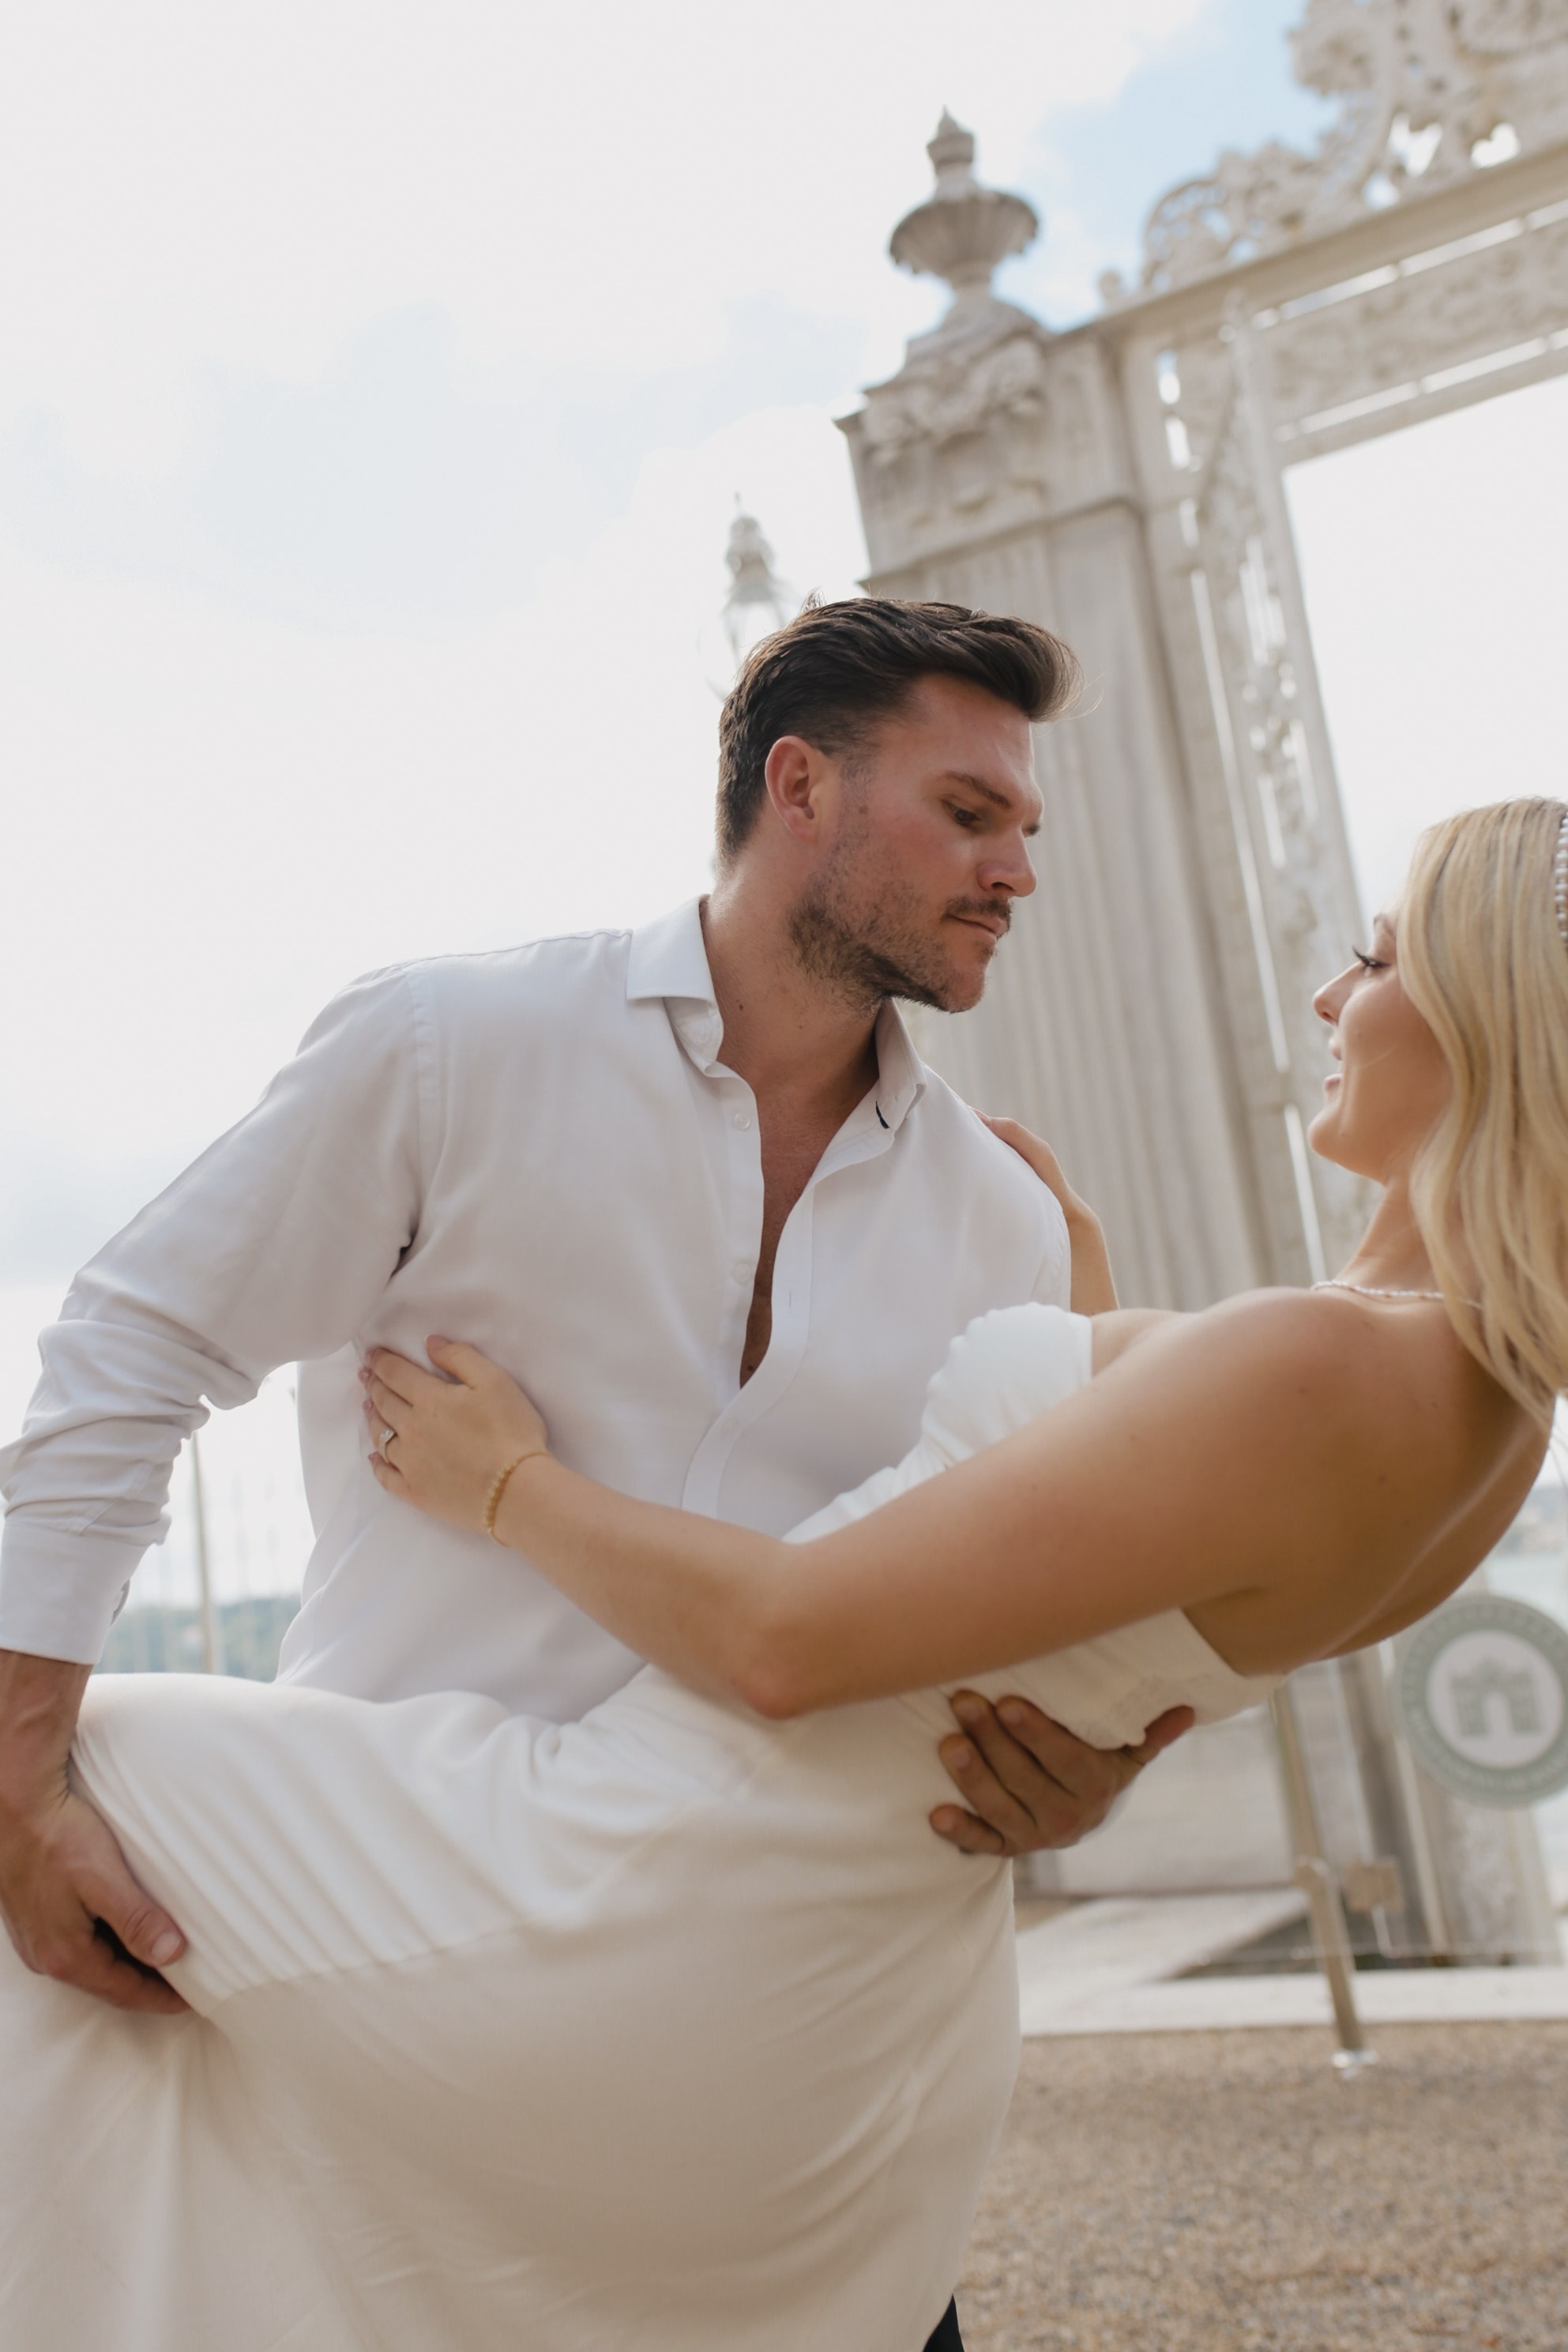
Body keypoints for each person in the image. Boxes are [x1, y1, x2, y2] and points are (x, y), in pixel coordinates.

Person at [2, 798, 1564, 2352]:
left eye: (1374, 959)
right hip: (883, 2009)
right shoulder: (1489, 1407)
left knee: (74, 1776)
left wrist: (509, 1486)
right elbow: (1132, 1601)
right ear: (802, 791)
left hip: (666, 1882)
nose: (1328, 998)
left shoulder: (1321, 1366)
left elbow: (784, 1644)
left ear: (1493, 1013)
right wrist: (1087, 1329)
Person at [0, 596, 1193, 2352]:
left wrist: (1075, 1781)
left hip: (780, 2025)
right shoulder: (447, 1047)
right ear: (802, 787)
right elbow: (137, 1343)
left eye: (1026, 826)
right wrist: (22, 1770)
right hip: (396, 1955)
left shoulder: (1001, 1225)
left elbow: (1014, 1603)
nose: (1019, 866)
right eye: (968, 811)